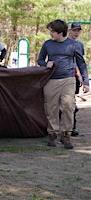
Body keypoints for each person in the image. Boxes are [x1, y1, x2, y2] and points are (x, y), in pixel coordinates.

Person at [37, 19, 89, 149]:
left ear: (61, 32)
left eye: (53, 31)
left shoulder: (73, 45)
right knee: (51, 107)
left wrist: (86, 81)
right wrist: (45, 64)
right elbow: (40, 60)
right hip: (51, 79)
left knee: (67, 106)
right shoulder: (47, 44)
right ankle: (52, 133)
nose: (50, 34)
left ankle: (66, 135)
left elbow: (81, 63)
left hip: (68, 79)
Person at [68, 22, 85, 136]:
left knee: (71, 102)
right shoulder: (63, 43)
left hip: (74, 76)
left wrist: (83, 77)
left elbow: (80, 62)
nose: (76, 32)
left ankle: (72, 126)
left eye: (78, 30)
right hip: (63, 75)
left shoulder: (80, 45)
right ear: (69, 31)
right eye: (74, 30)